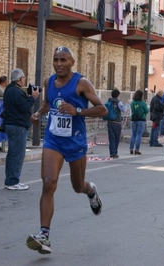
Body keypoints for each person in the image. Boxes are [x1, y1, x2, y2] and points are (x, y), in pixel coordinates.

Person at [26, 46, 106, 254]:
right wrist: (37, 114)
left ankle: (91, 191)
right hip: (54, 140)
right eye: (56, 60)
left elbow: (102, 109)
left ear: (72, 62)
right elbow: (47, 103)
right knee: (48, 182)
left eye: (63, 60)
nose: (59, 64)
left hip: (75, 141)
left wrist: (77, 110)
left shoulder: (81, 83)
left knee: (77, 186)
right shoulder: (48, 82)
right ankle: (44, 235)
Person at [1, 68, 39, 190]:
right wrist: (33, 97)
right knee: (17, 154)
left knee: (12, 154)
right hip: (18, 126)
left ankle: (10, 180)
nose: (24, 81)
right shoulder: (15, 92)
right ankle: (13, 181)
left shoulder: (9, 90)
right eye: (23, 78)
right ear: (19, 79)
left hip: (11, 124)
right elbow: (24, 107)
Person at [106, 89, 129, 158]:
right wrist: (127, 104)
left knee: (111, 139)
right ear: (118, 95)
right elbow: (123, 109)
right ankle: (115, 152)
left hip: (110, 122)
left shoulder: (109, 102)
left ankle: (111, 153)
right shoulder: (118, 102)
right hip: (117, 122)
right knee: (116, 138)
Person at [129, 90, 149, 155]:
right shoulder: (143, 103)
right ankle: (137, 149)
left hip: (133, 119)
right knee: (139, 135)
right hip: (141, 119)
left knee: (133, 134)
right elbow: (146, 111)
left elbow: (132, 109)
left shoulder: (132, 103)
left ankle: (131, 148)